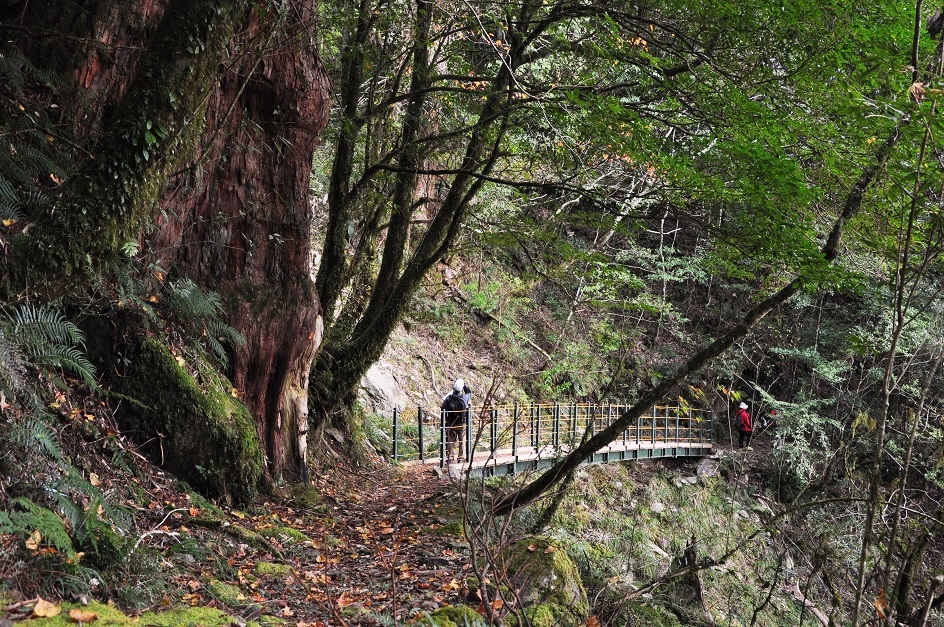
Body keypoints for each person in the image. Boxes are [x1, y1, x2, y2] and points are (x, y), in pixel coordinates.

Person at [441, 378, 472, 463]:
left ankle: (450, 458)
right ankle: (461, 458)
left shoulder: (448, 398)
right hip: (462, 423)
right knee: (462, 441)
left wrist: (445, 422)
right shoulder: (464, 398)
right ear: (461, 388)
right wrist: (464, 385)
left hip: (451, 423)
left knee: (450, 441)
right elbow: (469, 392)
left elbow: (443, 408)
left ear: (454, 387)